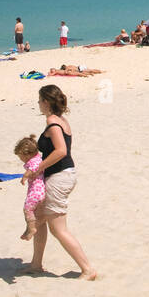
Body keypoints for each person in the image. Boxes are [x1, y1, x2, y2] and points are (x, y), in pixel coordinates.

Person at [24, 84, 96, 279]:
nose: (38, 104)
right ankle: (36, 264)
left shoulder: (53, 122)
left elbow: (61, 151)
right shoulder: (59, 120)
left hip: (60, 176)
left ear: (46, 102)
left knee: (58, 228)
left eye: (39, 100)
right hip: (60, 175)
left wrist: (37, 168)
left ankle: (87, 269)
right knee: (39, 219)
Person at [14, 135, 47, 240]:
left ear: (27, 155)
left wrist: (25, 177)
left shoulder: (34, 162)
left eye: (21, 158)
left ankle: (31, 228)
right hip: (42, 192)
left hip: (36, 192)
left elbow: (33, 168)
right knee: (37, 214)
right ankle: (31, 227)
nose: (21, 160)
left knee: (27, 209)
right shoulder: (39, 158)